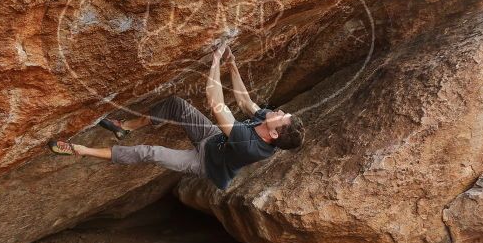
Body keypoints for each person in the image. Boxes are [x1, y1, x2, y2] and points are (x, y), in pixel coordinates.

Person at [47, 41, 305, 190]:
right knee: (176, 105)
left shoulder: (250, 146)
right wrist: (231, 63)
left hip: (204, 162)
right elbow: (244, 100)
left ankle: (81, 149)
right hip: (215, 139)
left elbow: (216, 103)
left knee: (151, 152)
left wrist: (214, 61)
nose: (279, 111)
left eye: (282, 116)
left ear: (273, 134)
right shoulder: (266, 121)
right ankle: (124, 126)